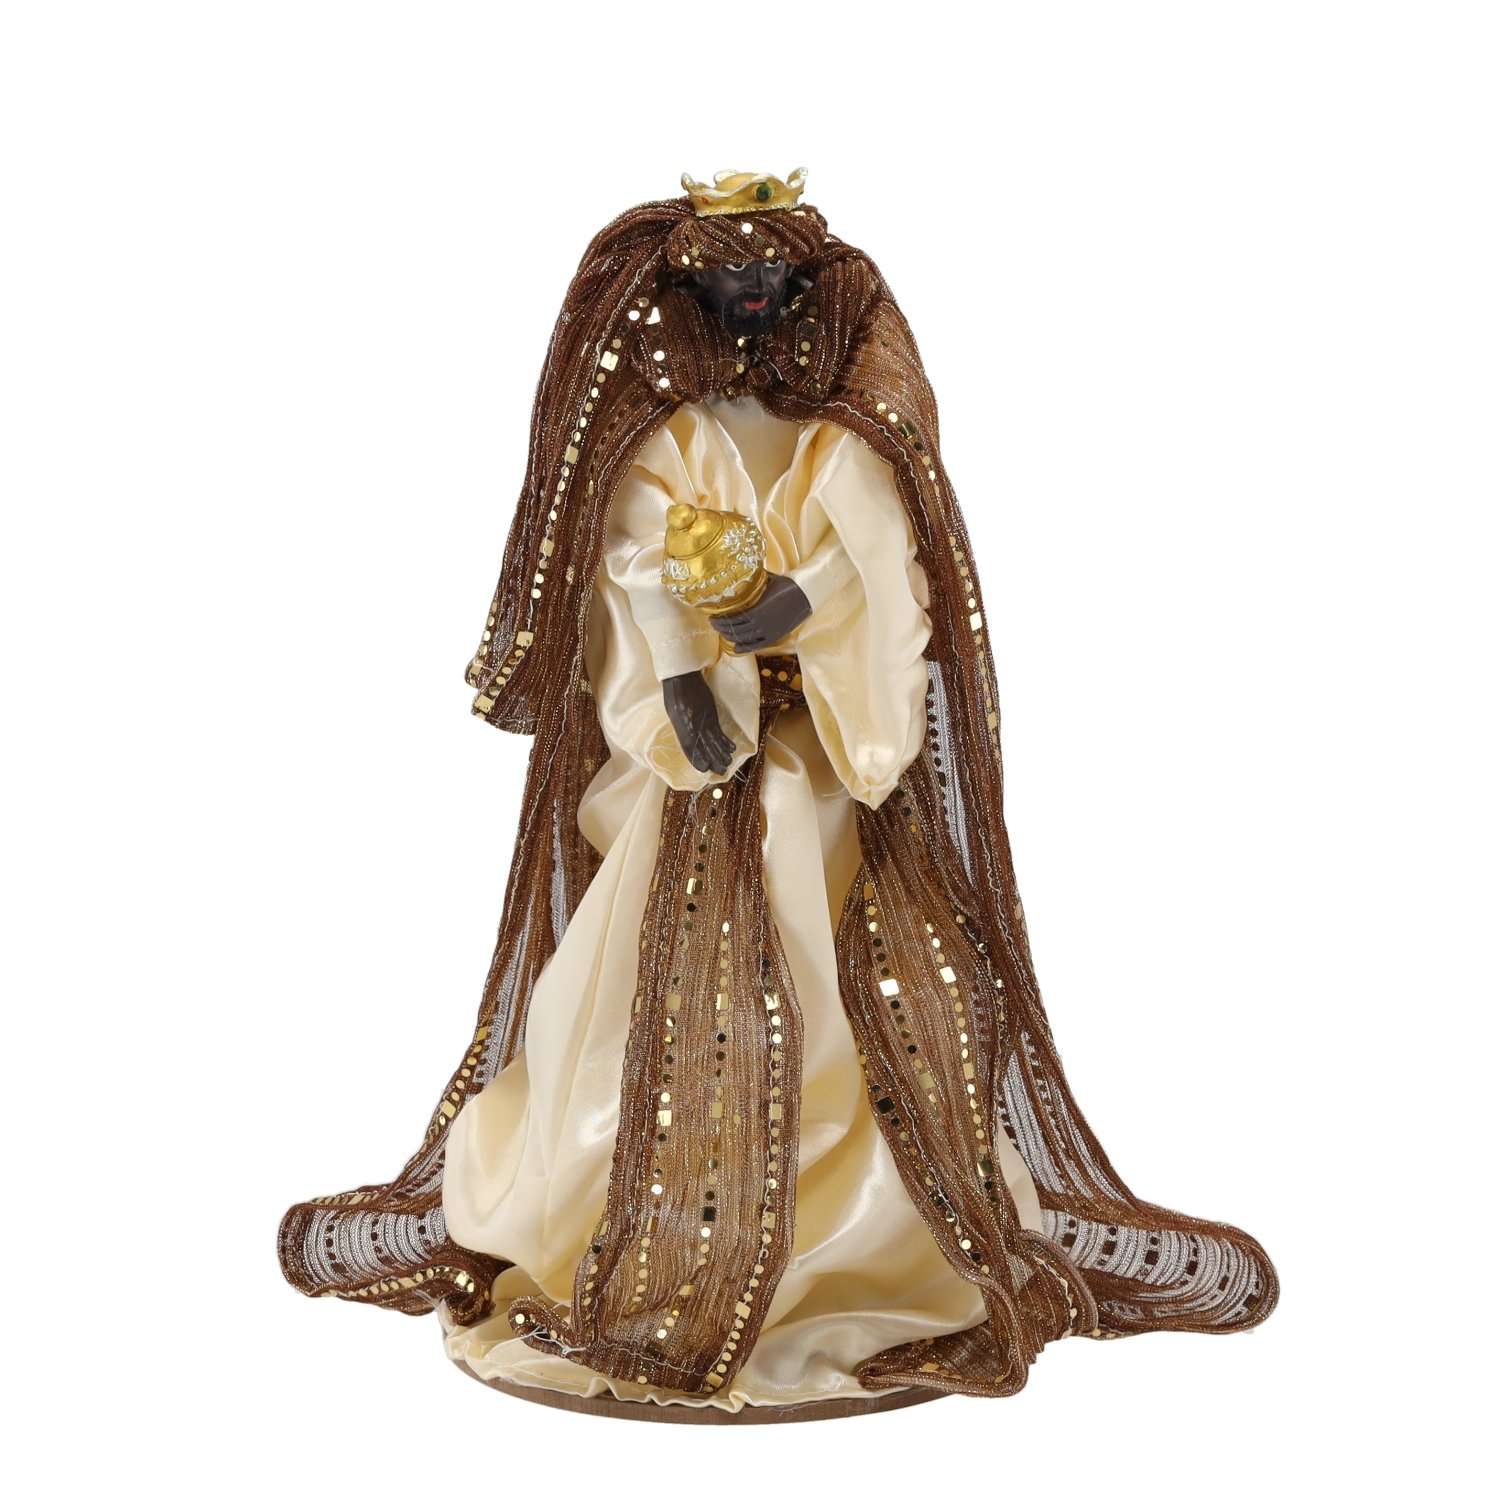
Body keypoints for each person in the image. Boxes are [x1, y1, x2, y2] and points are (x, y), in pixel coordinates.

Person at [277, 169, 1279, 1416]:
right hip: (706, 759)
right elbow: (630, 560)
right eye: (729, 281)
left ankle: (872, 1249)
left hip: (825, 757)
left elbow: (889, 556)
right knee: (630, 993)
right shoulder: (669, 438)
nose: (753, 298)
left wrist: (800, 605)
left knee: (864, 985)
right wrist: (683, 679)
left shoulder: (847, 434)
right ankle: (617, 1220)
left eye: (772, 279)